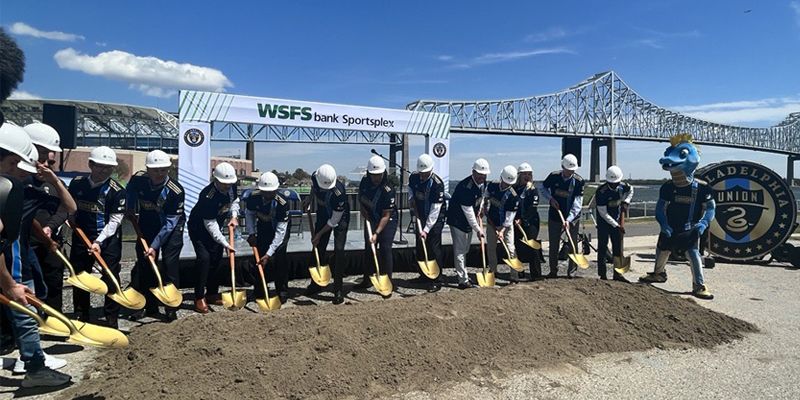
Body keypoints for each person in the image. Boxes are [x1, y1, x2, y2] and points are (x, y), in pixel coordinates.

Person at [0, 123, 71, 387]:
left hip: (17, 255)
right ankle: (33, 366)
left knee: (27, 308)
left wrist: (45, 237)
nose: (47, 160)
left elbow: (67, 207)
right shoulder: (10, 187)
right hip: (13, 259)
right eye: (11, 162)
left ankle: (32, 361)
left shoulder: (22, 186)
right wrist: (9, 283)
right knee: (25, 312)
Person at [640, 134, 715, 299]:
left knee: (693, 255)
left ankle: (699, 285)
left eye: (682, 155)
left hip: (689, 228)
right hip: (670, 227)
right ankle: (658, 273)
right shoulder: (667, 187)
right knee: (661, 250)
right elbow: (660, 208)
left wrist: (703, 223)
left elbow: (710, 208)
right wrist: (663, 224)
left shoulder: (703, 188)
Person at [68, 146, 126, 329]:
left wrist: (98, 241)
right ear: (90, 164)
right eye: (100, 166)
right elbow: (70, 208)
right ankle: (81, 312)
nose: (104, 170)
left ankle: (111, 316)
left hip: (108, 240)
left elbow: (115, 221)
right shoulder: (77, 183)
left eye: (108, 167)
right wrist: (70, 220)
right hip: (81, 236)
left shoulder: (117, 191)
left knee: (110, 277)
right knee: (80, 275)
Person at [126, 150, 185, 322]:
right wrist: (130, 207)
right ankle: (147, 305)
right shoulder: (139, 179)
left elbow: (170, 224)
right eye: (155, 170)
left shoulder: (175, 191)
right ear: (147, 169)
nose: (159, 174)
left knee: (169, 264)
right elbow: (130, 190)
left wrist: (154, 246)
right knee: (145, 265)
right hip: (147, 224)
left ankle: (171, 307)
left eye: (163, 170)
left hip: (172, 228)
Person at [22, 123, 71, 312]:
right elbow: (24, 217)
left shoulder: (51, 183)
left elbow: (67, 208)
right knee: (29, 286)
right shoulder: (22, 181)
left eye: (50, 161)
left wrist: (50, 228)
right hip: (26, 244)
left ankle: (53, 321)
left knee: (52, 283)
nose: (45, 164)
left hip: (49, 242)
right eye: (42, 155)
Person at [187, 162, 238, 313]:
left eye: (229, 184)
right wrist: (225, 243)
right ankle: (199, 297)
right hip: (199, 229)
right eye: (224, 184)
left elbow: (234, 202)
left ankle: (211, 293)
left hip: (217, 225)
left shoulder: (231, 187)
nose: (227, 186)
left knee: (216, 259)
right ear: (215, 180)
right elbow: (211, 225)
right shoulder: (208, 196)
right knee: (204, 259)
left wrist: (234, 216)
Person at [302, 164, 349, 304]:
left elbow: (334, 220)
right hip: (323, 214)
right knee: (318, 247)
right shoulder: (315, 177)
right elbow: (313, 188)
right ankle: (315, 284)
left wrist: (319, 233)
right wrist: (309, 199)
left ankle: (338, 290)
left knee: (339, 250)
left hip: (339, 217)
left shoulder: (339, 193)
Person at [354, 155, 397, 298]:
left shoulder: (388, 189)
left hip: (387, 220)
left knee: (385, 248)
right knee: (369, 249)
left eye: (379, 175)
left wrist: (376, 233)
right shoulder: (365, 182)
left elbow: (386, 215)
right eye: (373, 175)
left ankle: (387, 282)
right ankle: (367, 279)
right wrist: (362, 210)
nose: (376, 178)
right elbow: (360, 197)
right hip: (371, 217)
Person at [246, 172, 291, 303]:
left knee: (280, 258)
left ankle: (282, 291)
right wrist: (251, 233)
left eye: (271, 192)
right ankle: (259, 290)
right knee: (259, 258)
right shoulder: (253, 197)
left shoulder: (282, 203)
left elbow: (280, 233)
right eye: (265, 192)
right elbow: (249, 215)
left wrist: (269, 254)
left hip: (279, 231)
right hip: (263, 228)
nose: (267, 195)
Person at [447, 158, 490, 289]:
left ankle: (463, 273)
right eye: (479, 175)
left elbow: (481, 198)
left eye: (484, 175)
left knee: (465, 249)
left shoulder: (482, 184)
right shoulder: (465, 187)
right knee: (460, 250)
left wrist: (481, 208)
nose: (482, 177)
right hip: (458, 221)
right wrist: (478, 229)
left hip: (468, 222)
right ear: (473, 172)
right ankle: (462, 280)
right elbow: (468, 211)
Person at [541, 154, 585, 278]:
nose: (570, 172)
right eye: (568, 170)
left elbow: (577, 204)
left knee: (573, 244)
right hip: (555, 215)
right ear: (562, 167)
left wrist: (568, 219)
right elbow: (543, 189)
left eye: (572, 170)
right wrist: (550, 199)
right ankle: (553, 271)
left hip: (573, 217)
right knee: (554, 244)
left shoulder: (579, 181)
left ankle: (572, 272)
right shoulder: (553, 176)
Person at [407, 154, 446, 292]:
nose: (423, 175)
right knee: (420, 245)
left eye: (426, 173)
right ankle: (423, 275)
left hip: (436, 219)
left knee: (433, 247)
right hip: (421, 215)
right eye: (422, 173)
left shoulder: (437, 184)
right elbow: (410, 187)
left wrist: (426, 229)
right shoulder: (414, 177)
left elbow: (435, 210)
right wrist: (411, 197)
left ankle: (437, 279)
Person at [594, 166, 633, 281]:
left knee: (618, 247)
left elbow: (631, 190)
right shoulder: (601, 192)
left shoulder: (623, 186)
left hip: (617, 220)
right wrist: (616, 226)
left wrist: (626, 202)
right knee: (602, 246)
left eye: (616, 183)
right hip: (604, 223)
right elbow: (603, 213)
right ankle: (603, 275)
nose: (614, 185)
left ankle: (617, 273)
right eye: (612, 183)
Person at [485, 166, 520, 282]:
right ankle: (492, 271)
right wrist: (483, 207)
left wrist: (502, 231)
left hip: (506, 226)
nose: (506, 185)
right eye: (505, 182)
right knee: (491, 248)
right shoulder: (492, 185)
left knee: (510, 248)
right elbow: (486, 196)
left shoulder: (513, 197)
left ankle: (514, 276)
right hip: (492, 223)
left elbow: (509, 219)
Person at [513, 162, 542, 281]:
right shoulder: (514, 189)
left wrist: (523, 218)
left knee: (532, 245)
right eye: (524, 174)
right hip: (516, 222)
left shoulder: (533, 190)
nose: (527, 176)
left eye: (529, 174)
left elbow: (532, 208)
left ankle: (536, 274)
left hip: (531, 222)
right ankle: (520, 272)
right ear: (519, 175)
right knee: (518, 247)